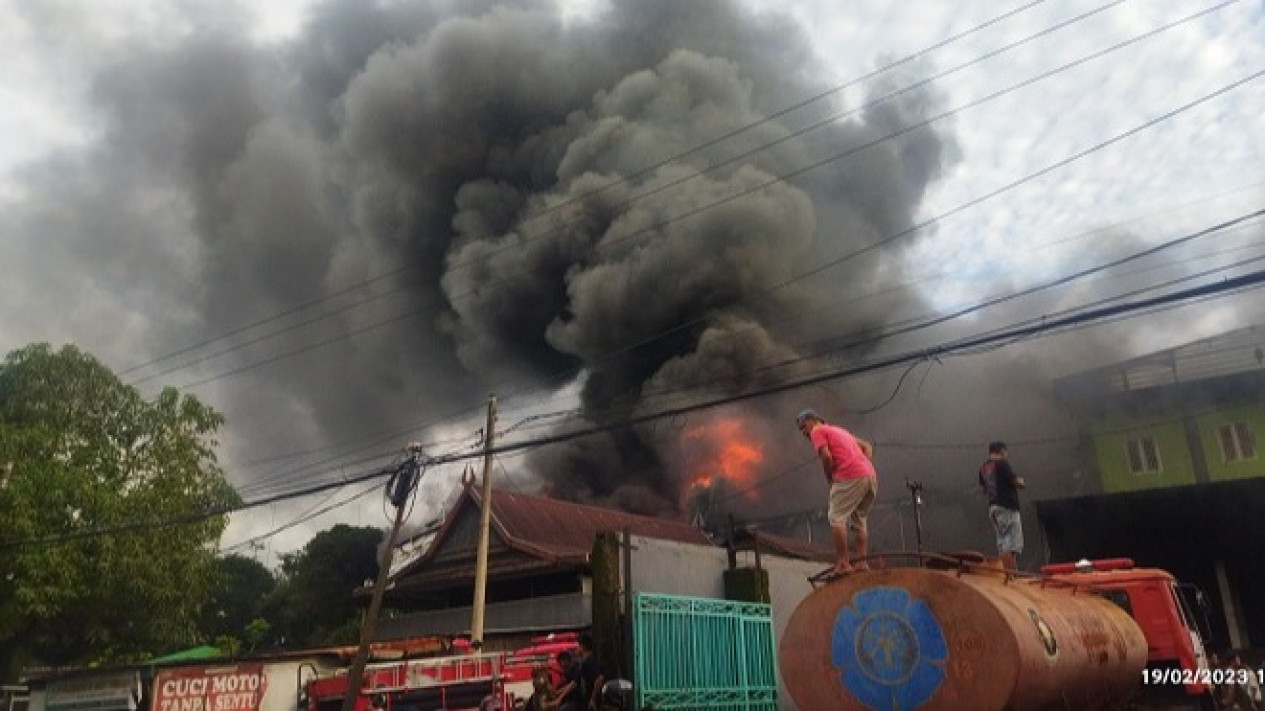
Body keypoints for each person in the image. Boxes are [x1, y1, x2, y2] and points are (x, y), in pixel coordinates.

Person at [796, 409, 877, 575]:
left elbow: (826, 457)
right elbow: (867, 446)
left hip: (850, 477)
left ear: (813, 420)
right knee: (859, 520)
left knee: (836, 518)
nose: (804, 432)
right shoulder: (839, 430)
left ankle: (842, 562)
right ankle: (862, 563)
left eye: (804, 427)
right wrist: (862, 465)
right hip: (870, 477)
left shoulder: (817, 431)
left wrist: (830, 480)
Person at [978, 441, 1025, 570]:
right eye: (1005, 452)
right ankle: (1011, 575)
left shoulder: (983, 468)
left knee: (1003, 541)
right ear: (1002, 451)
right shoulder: (1002, 464)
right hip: (1007, 506)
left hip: (993, 508)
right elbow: (1013, 480)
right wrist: (1021, 482)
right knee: (1012, 543)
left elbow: (984, 487)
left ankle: (1007, 573)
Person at [576, 633, 605, 711]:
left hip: (593, 703)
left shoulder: (589, 662)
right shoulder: (586, 662)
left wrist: (593, 699)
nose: (577, 649)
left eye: (578, 646)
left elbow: (599, 678)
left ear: (583, 646)